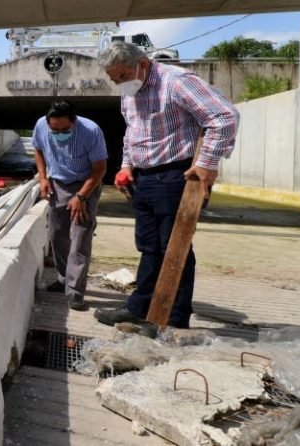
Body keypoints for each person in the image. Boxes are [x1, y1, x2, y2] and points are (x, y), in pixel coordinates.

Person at [93, 42, 239, 329]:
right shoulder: (129, 92)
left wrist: (207, 163)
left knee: (175, 247)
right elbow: (132, 131)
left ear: (142, 64)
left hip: (175, 176)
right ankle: (140, 308)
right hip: (144, 179)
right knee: (150, 247)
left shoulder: (176, 82)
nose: (120, 83)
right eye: (114, 79)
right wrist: (126, 165)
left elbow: (224, 117)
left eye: (122, 76)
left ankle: (172, 318)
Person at [33, 100, 108, 311]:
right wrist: (43, 179)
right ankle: (63, 279)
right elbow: (38, 149)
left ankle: (75, 292)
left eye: (65, 129)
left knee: (80, 239)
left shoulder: (91, 131)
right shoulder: (41, 125)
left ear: (74, 121)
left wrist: (82, 197)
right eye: (54, 130)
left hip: (86, 185)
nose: (59, 133)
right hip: (57, 184)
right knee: (57, 235)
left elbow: (100, 169)